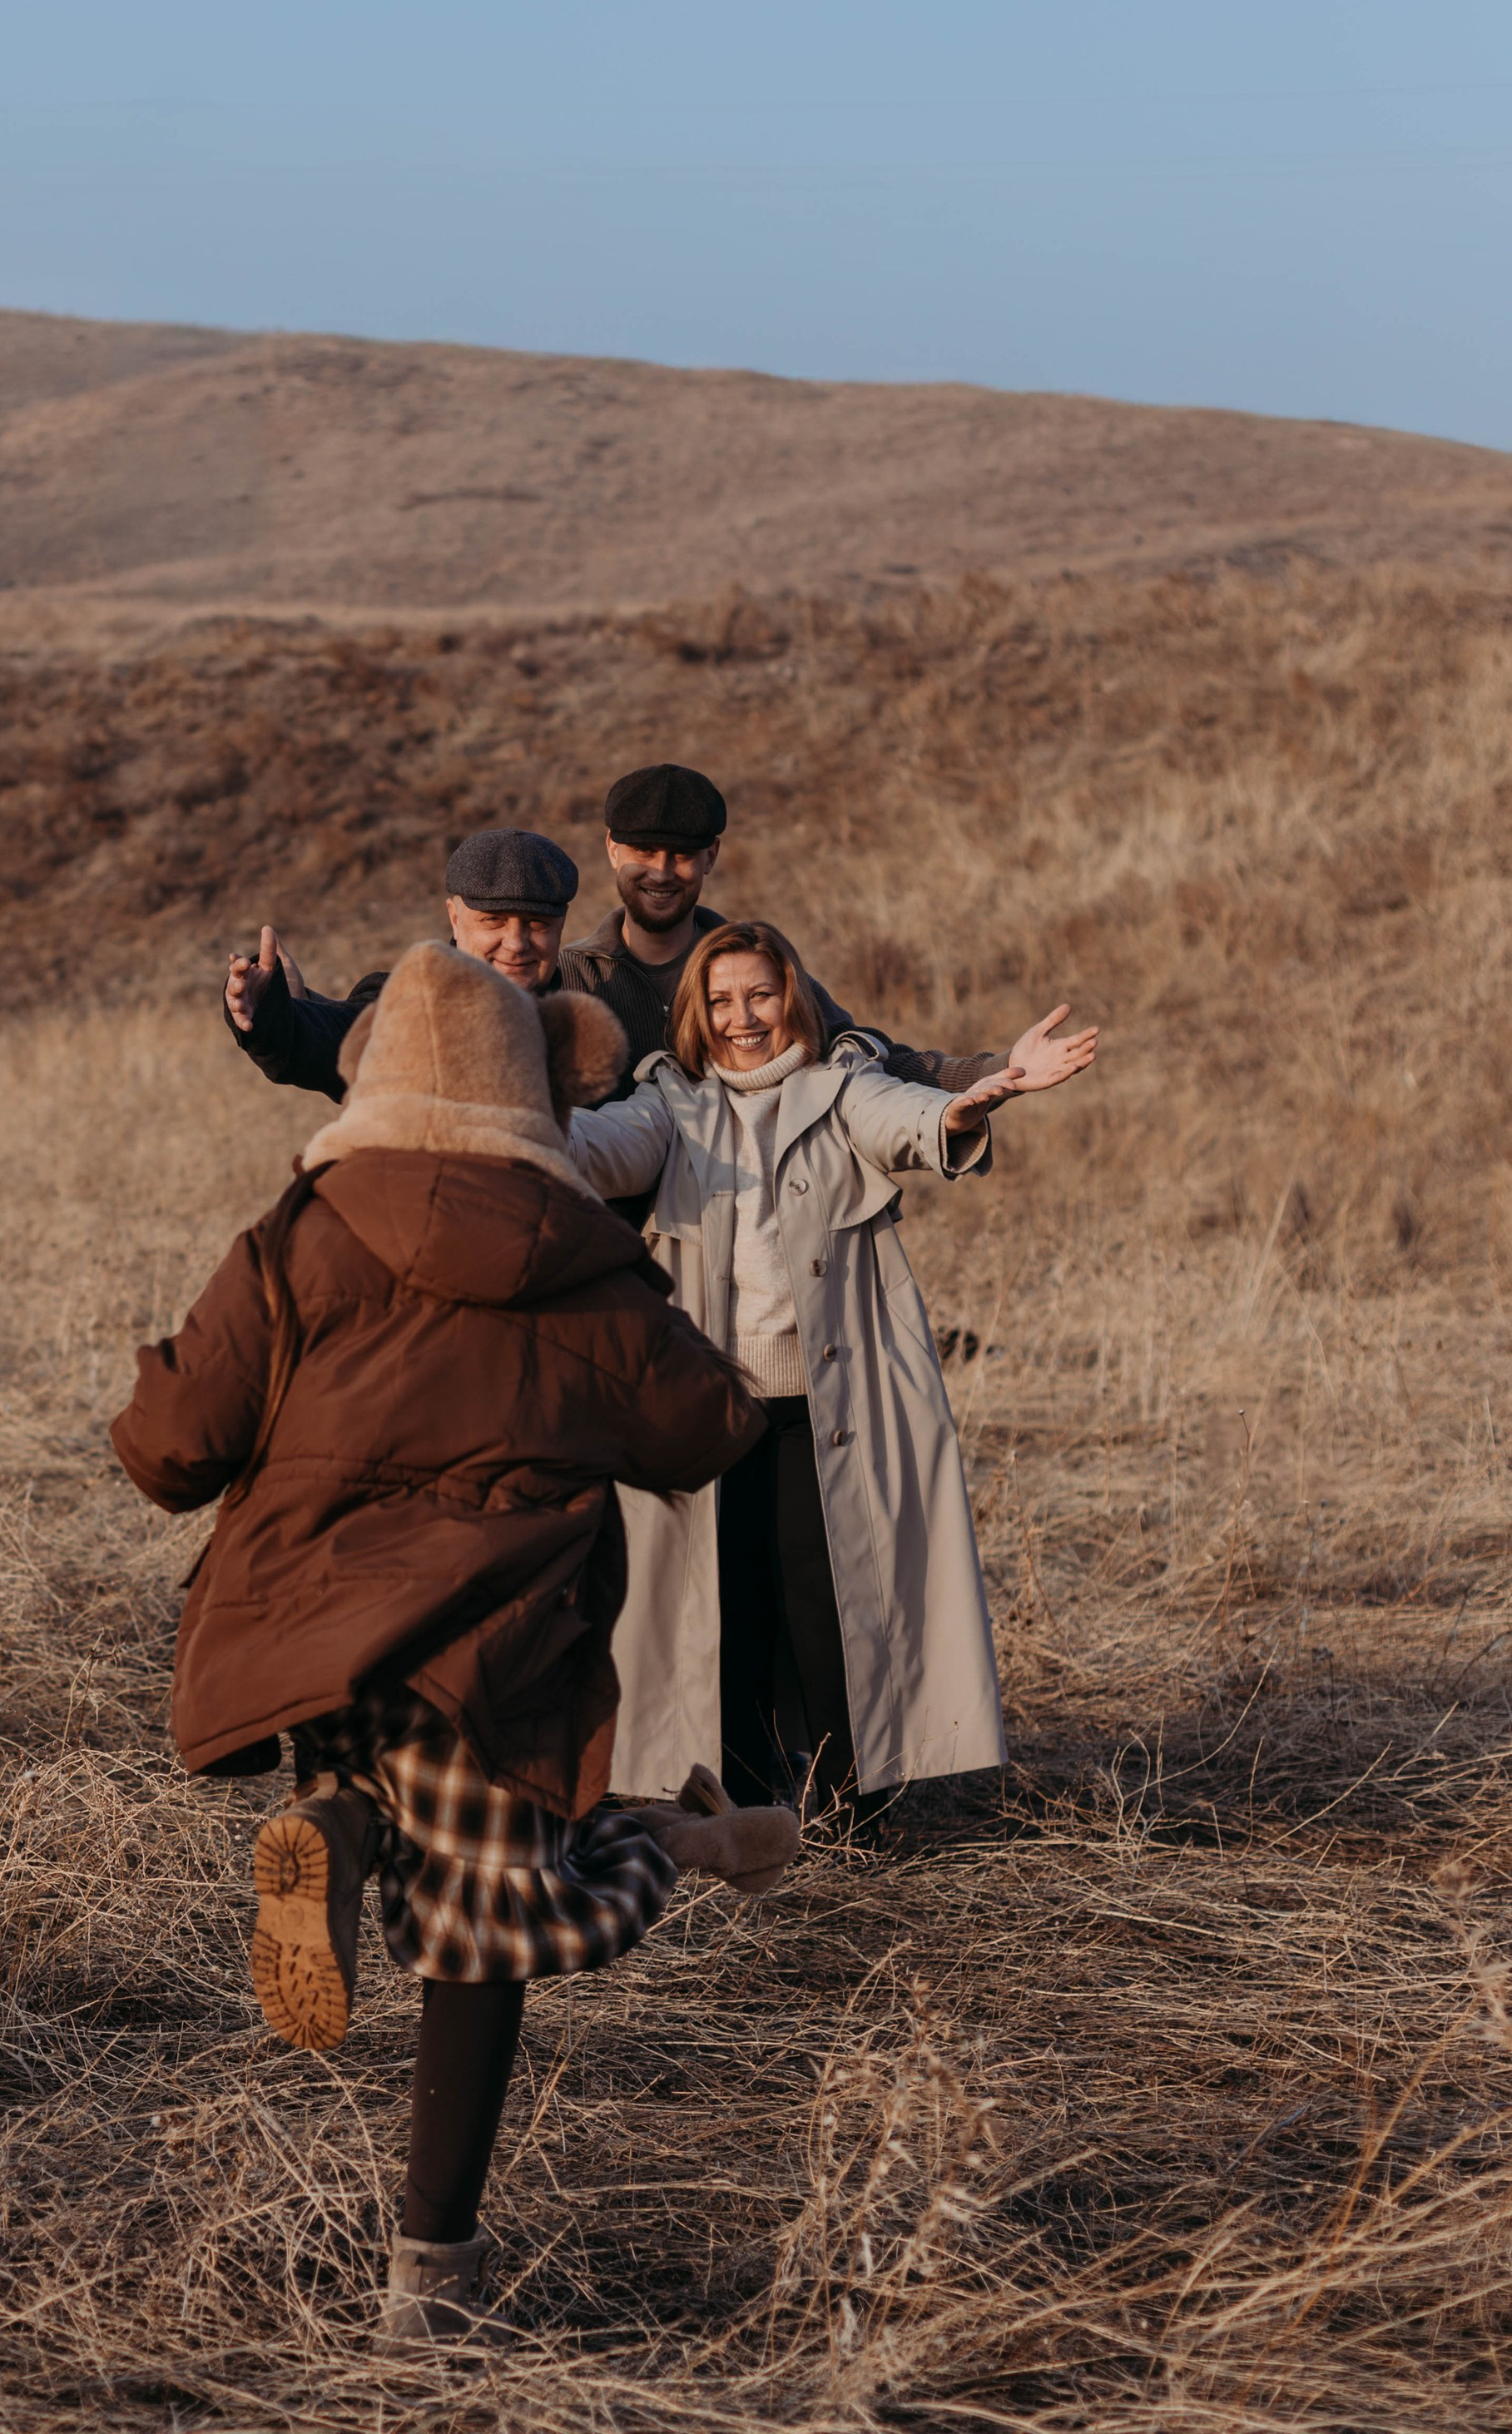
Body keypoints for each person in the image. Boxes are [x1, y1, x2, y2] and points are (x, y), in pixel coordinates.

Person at [112, 941, 795, 2342]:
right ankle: (433, 2276)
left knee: (373, 1766)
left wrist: (169, 1376)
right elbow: (706, 1432)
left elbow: (169, 1450)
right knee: (487, 1928)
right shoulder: (584, 1263)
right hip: (499, 1648)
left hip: (313, 1630)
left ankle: (343, 1825)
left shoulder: (301, 1231)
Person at [567, 920, 1098, 1820]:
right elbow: (595, 1146)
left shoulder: (840, 1082)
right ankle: (730, 1808)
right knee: (723, 1606)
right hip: (710, 1408)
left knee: (831, 1604)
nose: (742, 1018)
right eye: (722, 1000)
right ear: (697, 1010)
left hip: (831, 1399)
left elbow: (905, 1118)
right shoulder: (669, 1103)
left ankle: (850, 1806)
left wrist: (972, 1101)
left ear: (792, 997)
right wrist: (508, 1115)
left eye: (760, 995)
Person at [565, 763, 1010, 1100]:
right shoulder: (569, 977)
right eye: (644, 851)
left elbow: (875, 1058)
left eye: (682, 855)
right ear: (612, 849)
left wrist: (1001, 1069)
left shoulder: (758, 968)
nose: (662, 872)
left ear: (712, 856)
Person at [222, 825, 577, 1101]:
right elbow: (340, 1036)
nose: (516, 944)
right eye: (493, 922)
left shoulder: (589, 1011)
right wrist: (273, 1014)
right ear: (454, 917)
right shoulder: (414, 1006)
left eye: (537, 924)